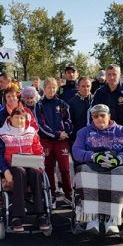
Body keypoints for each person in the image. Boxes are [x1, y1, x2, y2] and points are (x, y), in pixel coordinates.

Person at [72, 104, 123, 233]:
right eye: (95, 116)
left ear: (109, 116)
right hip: (93, 164)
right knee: (82, 174)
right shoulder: (84, 132)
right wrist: (93, 156)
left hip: (117, 165)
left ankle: (113, 220)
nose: (99, 119)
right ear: (92, 118)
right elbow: (76, 151)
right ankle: (92, 219)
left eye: (102, 115)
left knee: (121, 177)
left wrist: (120, 158)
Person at [0, 107, 49, 232]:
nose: (19, 120)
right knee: (19, 171)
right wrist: (5, 172)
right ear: (11, 119)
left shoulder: (32, 132)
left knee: (36, 172)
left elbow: (40, 152)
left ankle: (41, 214)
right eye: (16, 118)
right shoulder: (2, 134)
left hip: (30, 165)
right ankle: (16, 216)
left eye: (22, 118)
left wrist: (40, 165)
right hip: (12, 168)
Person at [34, 77, 72, 206]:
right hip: (47, 141)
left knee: (65, 169)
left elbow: (68, 121)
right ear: (44, 89)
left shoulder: (62, 104)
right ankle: (52, 195)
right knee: (49, 169)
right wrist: (57, 134)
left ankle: (68, 193)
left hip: (62, 141)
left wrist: (65, 132)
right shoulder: (39, 105)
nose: (51, 90)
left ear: (57, 88)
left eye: (54, 87)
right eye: (49, 87)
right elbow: (41, 125)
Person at [90, 64, 123, 133]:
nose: (111, 77)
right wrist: (94, 131)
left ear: (119, 75)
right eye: (109, 74)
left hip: (122, 132)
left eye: (114, 74)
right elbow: (93, 112)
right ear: (105, 76)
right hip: (103, 132)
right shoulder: (99, 92)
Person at [68, 77, 92, 145]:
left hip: (93, 139)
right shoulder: (71, 103)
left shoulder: (95, 100)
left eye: (88, 86)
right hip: (77, 139)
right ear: (78, 87)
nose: (86, 88)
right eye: (83, 86)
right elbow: (69, 122)